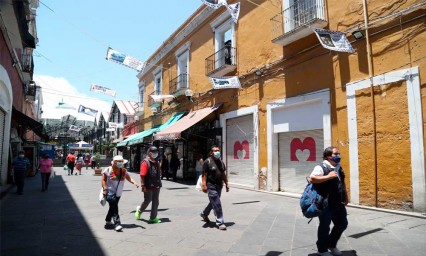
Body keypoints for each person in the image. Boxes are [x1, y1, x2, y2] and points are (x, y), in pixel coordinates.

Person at [309, 147, 348, 256]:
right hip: (326, 203)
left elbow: (342, 183)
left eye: (339, 153)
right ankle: (322, 250)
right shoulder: (321, 167)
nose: (338, 155)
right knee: (325, 226)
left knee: (342, 224)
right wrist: (328, 176)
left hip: (338, 202)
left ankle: (331, 244)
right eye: (336, 154)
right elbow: (312, 179)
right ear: (328, 156)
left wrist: (346, 196)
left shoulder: (339, 167)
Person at [102, 155, 139, 231]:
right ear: (114, 162)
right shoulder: (108, 170)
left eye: (121, 162)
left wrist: (134, 182)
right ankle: (117, 224)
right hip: (110, 192)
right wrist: (105, 189)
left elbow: (129, 178)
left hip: (118, 193)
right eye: (118, 162)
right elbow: (103, 180)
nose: (120, 163)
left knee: (112, 207)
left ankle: (108, 220)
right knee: (115, 207)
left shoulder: (123, 170)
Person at [200, 145, 229, 230]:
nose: (217, 152)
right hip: (211, 185)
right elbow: (203, 174)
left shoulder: (221, 162)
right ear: (211, 153)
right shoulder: (207, 161)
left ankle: (204, 214)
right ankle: (220, 222)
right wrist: (204, 185)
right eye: (215, 151)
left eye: (218, 150)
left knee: (214, 202)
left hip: (219, 186)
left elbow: (223, 174)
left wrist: (227, 183)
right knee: (217, 203)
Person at [135, 146, 162, 223]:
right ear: (149, 152)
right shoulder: (145, 162)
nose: (155, 153)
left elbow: (159, 172)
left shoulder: (157, 162)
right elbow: (142, 175)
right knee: (148, 200)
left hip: (156, 184)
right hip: (148, 184)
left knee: (156, 201)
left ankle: (153, 218)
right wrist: (143, 185)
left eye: (156, 151)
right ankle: (139, 210)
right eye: (153, 151)